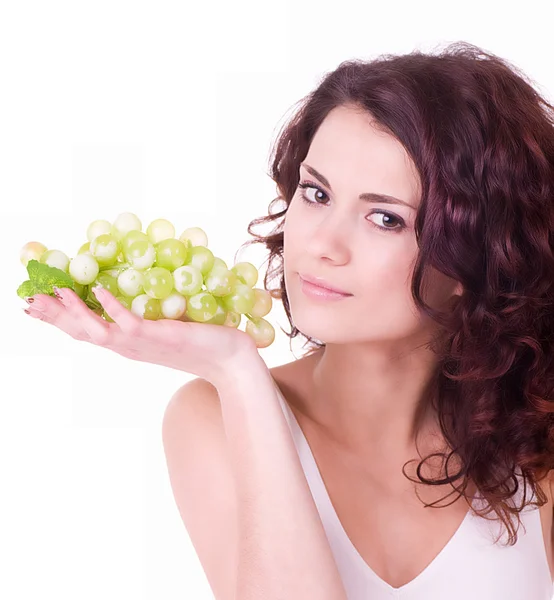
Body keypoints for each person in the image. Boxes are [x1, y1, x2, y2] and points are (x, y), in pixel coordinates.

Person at [26, 41, 554, 599]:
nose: (321, 244)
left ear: (478, 255)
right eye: (316, 192)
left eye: (384, 218)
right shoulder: (216, 417)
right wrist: (236, 370)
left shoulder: (536, 442)